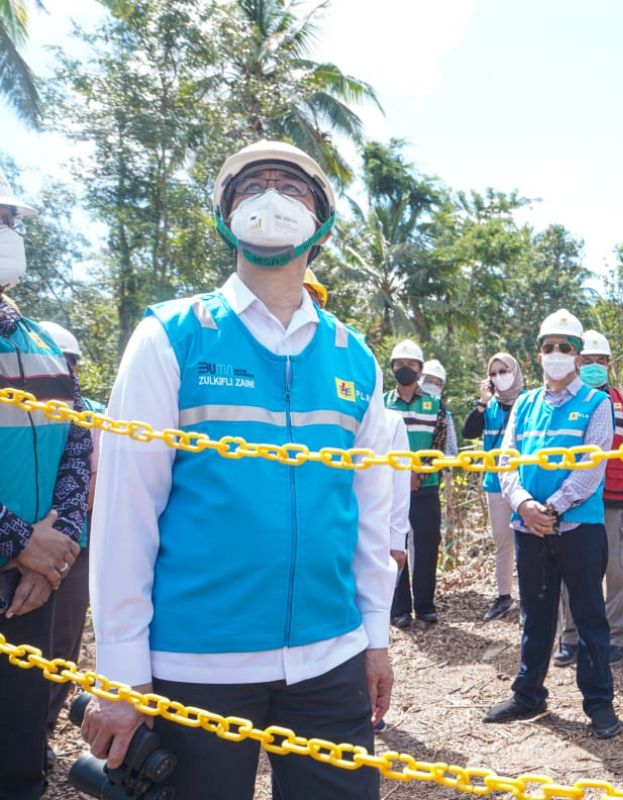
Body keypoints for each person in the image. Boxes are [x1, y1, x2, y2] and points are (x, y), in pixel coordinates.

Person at [81, 140, 394, 799]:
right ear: (225, 216)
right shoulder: (170, 338)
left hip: (329, 660)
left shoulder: (355, 358)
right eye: (252, 187)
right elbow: (123, 521)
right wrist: (122, 675)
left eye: (292, 187)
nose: (271, 198)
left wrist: (374, 638)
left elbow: (369, 516)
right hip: (194, 663)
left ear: (324, 221)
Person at [484, 308, 620, 739]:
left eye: (565, 348)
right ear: (539, 354)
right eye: (549, 348)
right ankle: (528, 694)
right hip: (529, 529)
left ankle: (598, 702)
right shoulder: (524, 405)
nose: (556, 354)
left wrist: (554, 508)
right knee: (535, 615)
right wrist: (524, 505)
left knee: (589, 616)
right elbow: (507, 462)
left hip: (579, 527)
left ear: (578, 356)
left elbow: (591, 467)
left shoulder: (597, 403)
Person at [0, 172, 90, 798]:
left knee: (20, 745)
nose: (7, 235)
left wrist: (54, 548)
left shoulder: (39, 344)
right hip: (18, 558)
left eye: (10, 221)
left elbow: (79, 450)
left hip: (34, 585)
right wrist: (13, 539)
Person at [555, 329, 623, 666]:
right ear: (577, 363)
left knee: (619, 571)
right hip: (576, 503)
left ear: (609, 363)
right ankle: (571, 637)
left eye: (600, 360)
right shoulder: (566, 401)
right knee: (573, 574)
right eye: (588, 361)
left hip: (615, 502)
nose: (594, 365)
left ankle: (616, 635)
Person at [36, 321, 105, 741]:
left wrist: (55, 541)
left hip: (72, 550)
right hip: (17, 547)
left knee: (61, 647)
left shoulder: (94, 415)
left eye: (70, 365)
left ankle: (40, 731)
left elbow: (95, 483)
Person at [386, 339, 455, 630]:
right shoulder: (380, 403)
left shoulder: (435, 405)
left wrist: (419, 474)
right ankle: (399, 608)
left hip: (425, 488)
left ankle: (425, 606)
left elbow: (439, 444)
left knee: (427, 546)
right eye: (400, 365)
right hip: (390, 489)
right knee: (393, 545)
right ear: (392, 369)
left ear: (420, 369)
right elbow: (374, 443)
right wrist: (401, 475)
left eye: (411, 365)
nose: (405, 369)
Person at [461, 353, 527, 621]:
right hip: (495, 481)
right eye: (494, 373)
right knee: (502, 540)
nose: (499, 376)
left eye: (504, 371)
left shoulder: (529, 402)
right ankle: (503, 597)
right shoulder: (488, 408)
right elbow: (468, 431)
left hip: (524, 480)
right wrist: (482, 402)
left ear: (515, 371)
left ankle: (529, 599)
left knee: (526, 540)